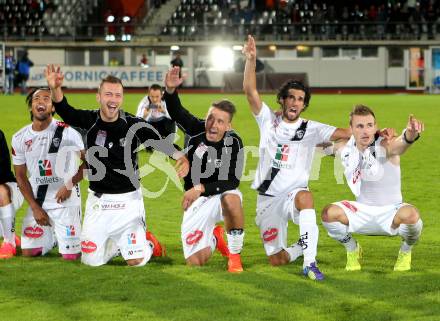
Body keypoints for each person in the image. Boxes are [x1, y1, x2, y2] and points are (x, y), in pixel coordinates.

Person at [45, 64, 189, 267]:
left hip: (128, 202)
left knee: (136, 261)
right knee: (90, 261)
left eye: (117, 95)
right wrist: (55, 88)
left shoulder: (133, 124)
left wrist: (181, 156)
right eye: (108, 94)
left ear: (122, 98)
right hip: (98, 203)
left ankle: (146, 243)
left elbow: (158, 141)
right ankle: (119, 243)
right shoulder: (90, 120)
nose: (113, 100)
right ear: (99, 97)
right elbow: (66, 111)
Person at [242, 35, 352, 281]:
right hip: (267, 200)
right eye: (291, 97)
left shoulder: (311, 128)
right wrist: (251, 60)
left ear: (304, 105)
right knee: (276, 260)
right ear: (282, 99)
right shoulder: (268, 120)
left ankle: (310, 263)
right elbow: (250, 91)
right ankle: (304, 244)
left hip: (293, 194)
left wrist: (375, 133)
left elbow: (347, 133)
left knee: (306, 196)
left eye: (300, 99)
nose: (295, 102)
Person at [321, 105, 424, 272]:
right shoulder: (346, 147)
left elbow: (402, 144)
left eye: (370, 125)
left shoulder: (385, 144)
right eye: (360, 126)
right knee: (328, 213)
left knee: (412, 216)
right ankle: (352, 249)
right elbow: (321, 148)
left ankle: (406, 251)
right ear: (351, 129)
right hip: (361, 211)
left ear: (376, 127)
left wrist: (411, 134)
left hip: (391, 212)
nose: (365, 131)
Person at [164, 66, 245, 273]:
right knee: (195, 262)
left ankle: (235, 257)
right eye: (211, 118)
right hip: (197, 201)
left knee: (232, 199)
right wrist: (171, 91)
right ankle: (216, 239)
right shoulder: (196, 128)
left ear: (228, 126)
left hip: (218, 194)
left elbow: (232, 182)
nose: (213, 125)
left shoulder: (233, 142)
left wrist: (199, 188)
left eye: (220, 121)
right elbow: (176, 112)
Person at [11, 88, 85, 260]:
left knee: (71, 257)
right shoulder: (19, 138)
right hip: (38, 201)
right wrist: (35, 207)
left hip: (65, 201)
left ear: (53, 107)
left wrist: (69, 185)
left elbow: (90, 163)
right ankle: (51, 238)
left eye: (46, 99)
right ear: (31, 107)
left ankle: (67, 238)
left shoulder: (68, 133)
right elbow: (20, 176)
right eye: (37, 99)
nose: (41, 102)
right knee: (29, 253)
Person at [0, 129, 24, 258]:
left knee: (1, 190)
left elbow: (2, 171)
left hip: (10, 190)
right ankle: (10, 233)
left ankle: (9, 242)